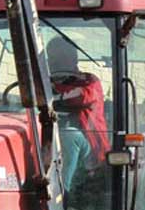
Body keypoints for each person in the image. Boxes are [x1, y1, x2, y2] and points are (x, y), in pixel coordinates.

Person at [46, 37, 108, 189]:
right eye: (53, 56)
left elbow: (80, 96)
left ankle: (61, 191)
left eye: (62, 56)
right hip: (50, 139)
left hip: (91, 146)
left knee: (69, 135)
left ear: (73, 58)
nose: (56, 61)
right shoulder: (45, 83)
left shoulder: (88, 81)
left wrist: (49, 95)